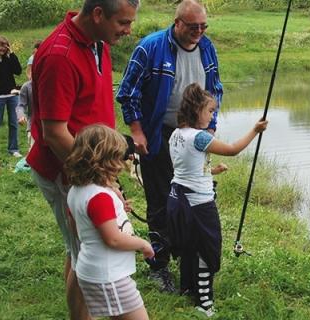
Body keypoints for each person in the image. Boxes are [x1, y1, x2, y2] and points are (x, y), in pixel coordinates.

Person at [25, 1, 139, 319]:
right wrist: (99, 179)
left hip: (91, 168)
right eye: (124, 22)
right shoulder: (60, 54)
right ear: (98, 14)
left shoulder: (98, 42)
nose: (128, 31)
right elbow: (55, 133)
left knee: (77, 248)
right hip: (66, 169)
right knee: (86, 254)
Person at [116, 0, 223, 293]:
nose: (198, 32)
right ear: (177, 23)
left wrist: (210, 129)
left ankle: (189, 259)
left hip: (196, 134)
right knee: (161, 199)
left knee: (196, 197)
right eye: (192, 26)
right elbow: (128, 93)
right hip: (159, 133)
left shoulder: (207, 47)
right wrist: (137, 132)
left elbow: (216, 89)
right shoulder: (150, 47)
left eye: (203, 26)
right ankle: (159, 265)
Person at [167, 83, 266, 317]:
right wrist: (255, 130)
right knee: (207, 252)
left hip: (178, 199)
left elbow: (185, 169)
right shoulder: (199, 137)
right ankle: (205, 304)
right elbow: (232, 149)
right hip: (199, 205)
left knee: (190, 248)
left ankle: (188, 290)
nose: (212, 117)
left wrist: (212, 171)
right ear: (197, 110)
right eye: (210, 111)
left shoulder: (175, 134)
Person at [65, 124, 154, 320]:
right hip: (109, 277)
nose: (122, 163)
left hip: (94, 271)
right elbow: (113, 239)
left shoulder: (76, 191)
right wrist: (143, 244)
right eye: (118, 158)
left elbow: (76, 228)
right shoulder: (99, 198)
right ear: (104, 161)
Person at [0, 35, 22, 157]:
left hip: (12, 95)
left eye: (5, 45)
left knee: (14, 122)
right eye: (0, 45)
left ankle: (13, 149)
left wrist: (12, 53)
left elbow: (18, 71)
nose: (2, 48)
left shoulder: (9, 59)